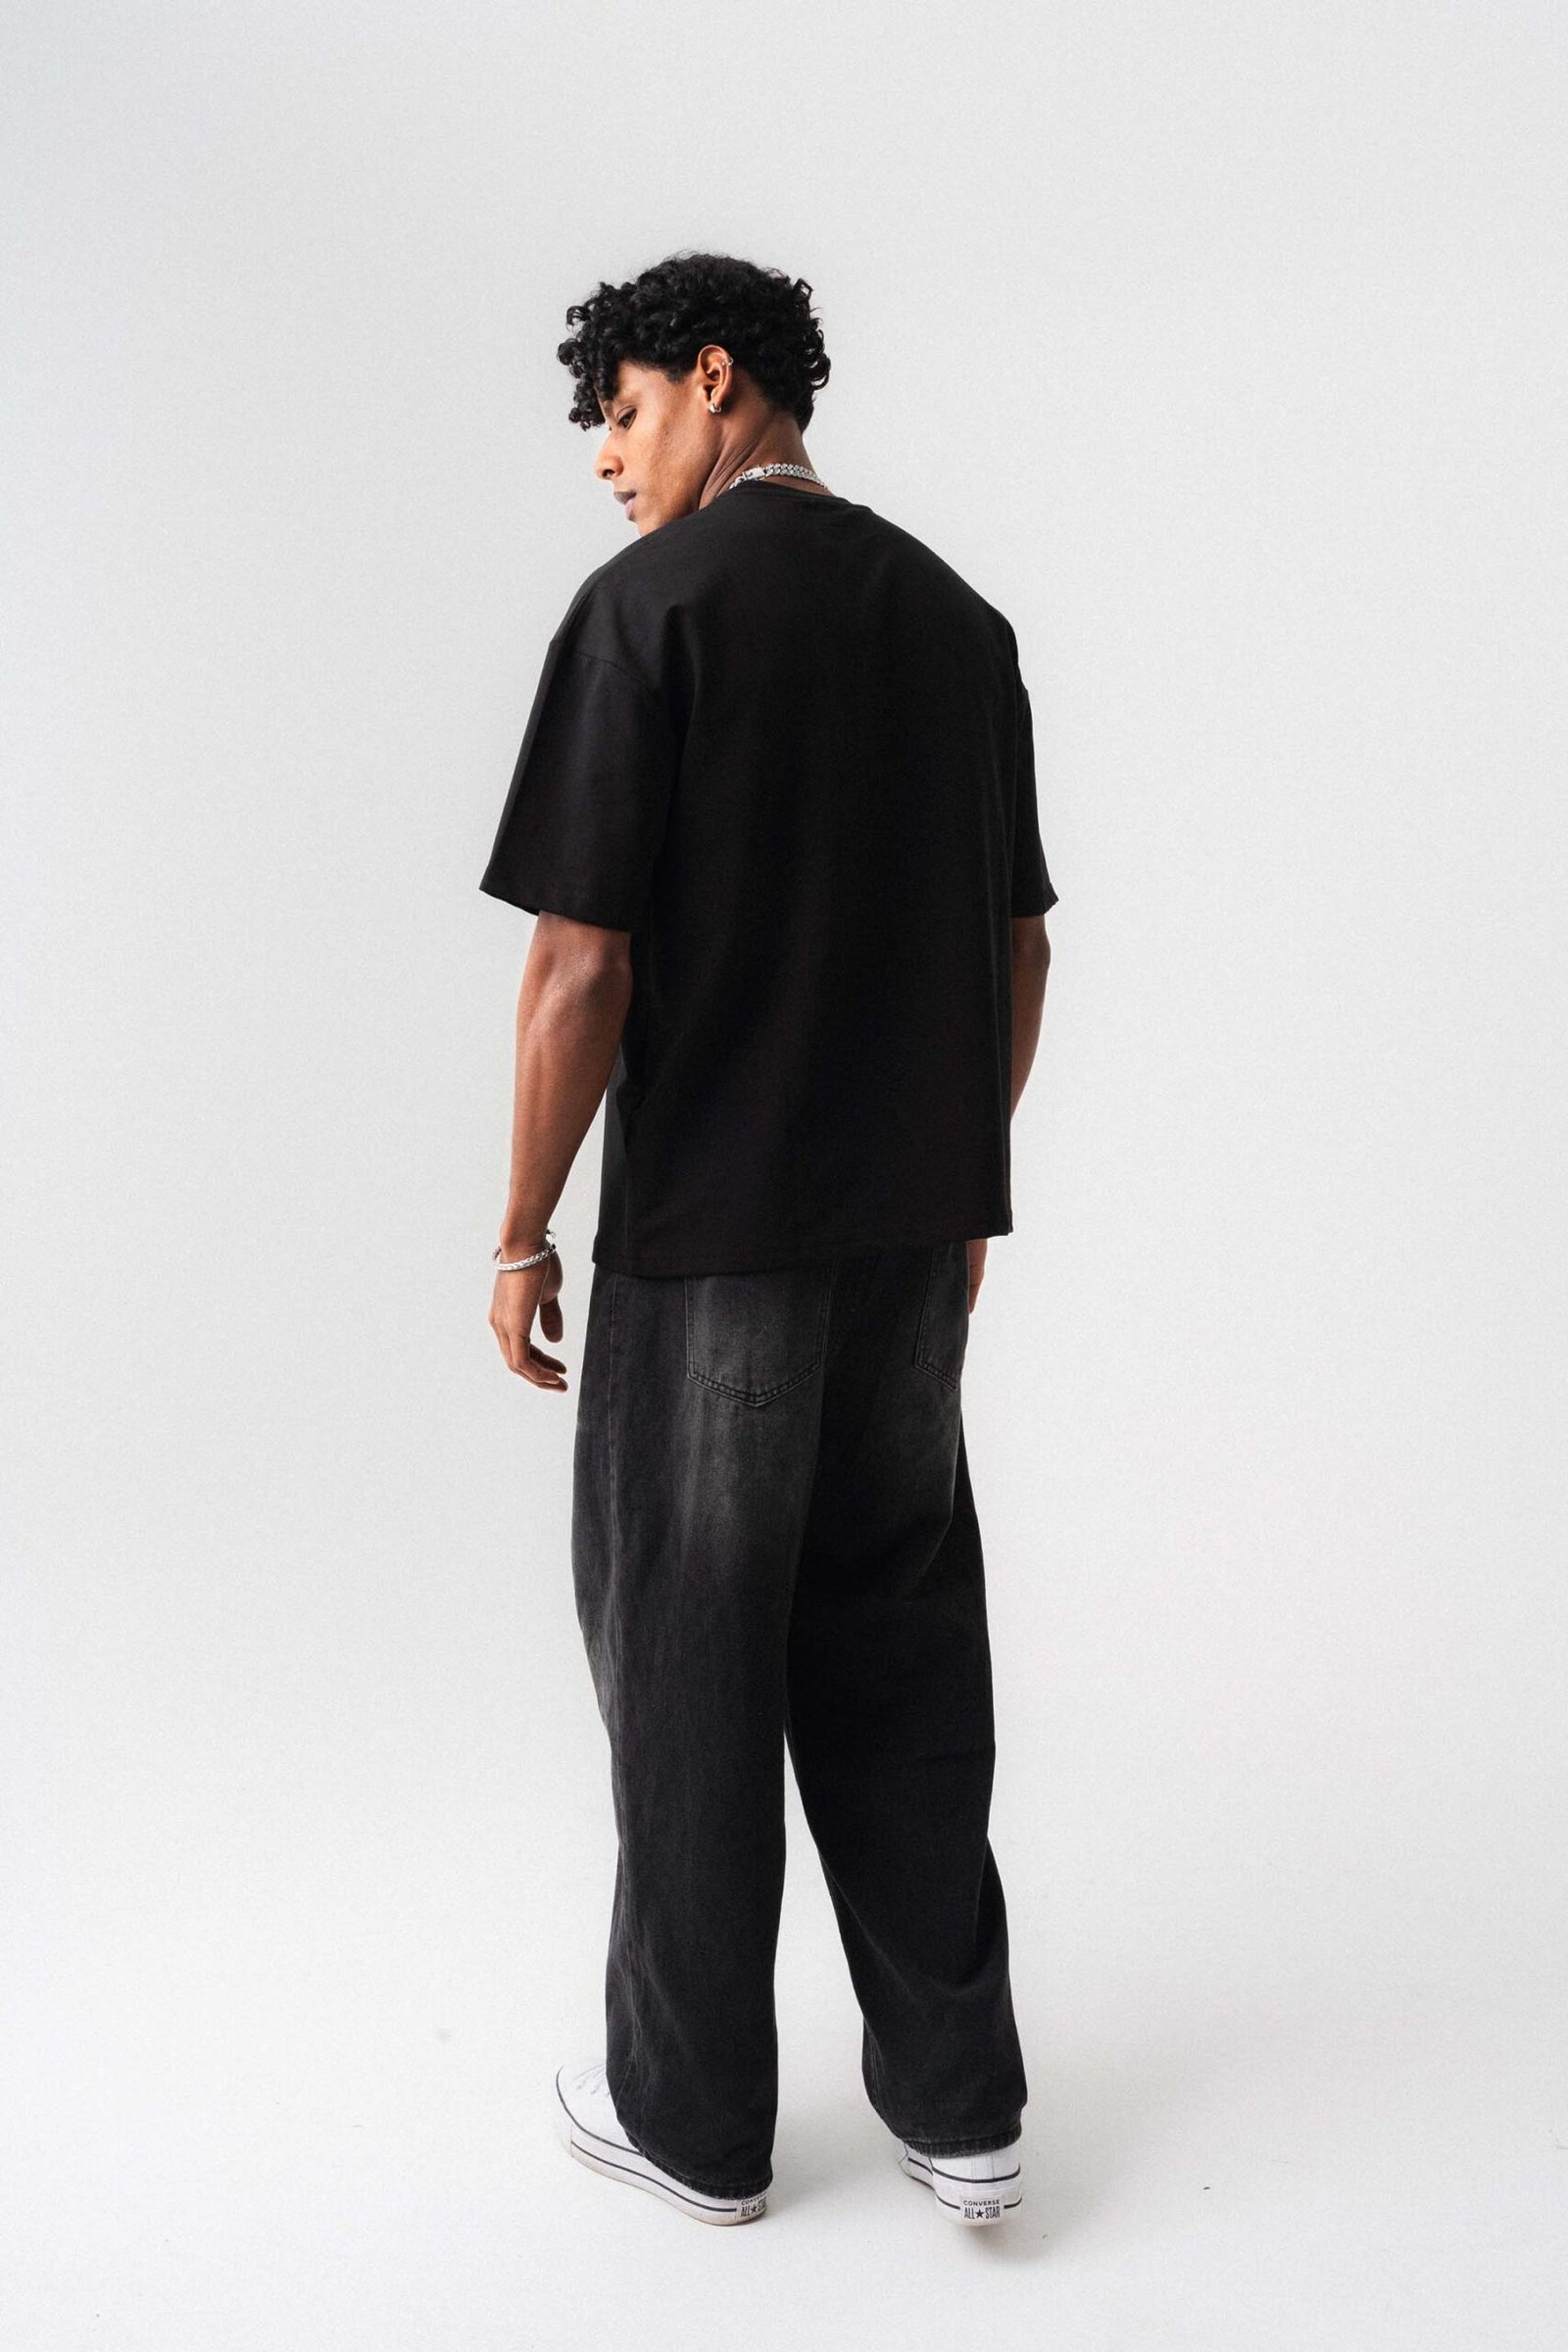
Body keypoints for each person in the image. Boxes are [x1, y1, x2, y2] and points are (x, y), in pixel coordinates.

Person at [478, 251, 1056, 2229]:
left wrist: (517, 1233)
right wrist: (956, 1173)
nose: (607, 460)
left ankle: (694, 2119)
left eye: (623, 411)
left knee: (690, 1653)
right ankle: (962, 2108)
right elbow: (1021, 951)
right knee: (900, 1640)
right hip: (909, 1241)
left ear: (714, 379)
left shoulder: (652, 611)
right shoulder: (959, 625)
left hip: (709, 1237)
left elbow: (579, 966)